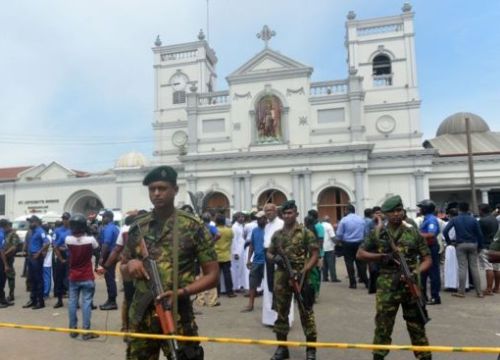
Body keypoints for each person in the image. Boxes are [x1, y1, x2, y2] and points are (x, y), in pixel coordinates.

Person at [120, 165, 219, 359]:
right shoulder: (138, 227)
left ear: (175, 189)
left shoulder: (192, 226)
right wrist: (130, 266)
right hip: (142, 316)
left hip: (177, 315)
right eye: (152, 189)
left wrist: (180, 292)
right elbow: (123, 269)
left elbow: (213, 275)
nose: (156, 193)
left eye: (162, 188)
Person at [356, 195, 432, 360]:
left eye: (399, 210)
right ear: (385, 214)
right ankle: (379, 356)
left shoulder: (413, 233)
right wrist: (381, 257)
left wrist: (415, 272)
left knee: (417, 325)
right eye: (392, 211)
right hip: (387, 286)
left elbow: (427, 259)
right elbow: (360, 254)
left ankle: (424, 356)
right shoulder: (377, 234)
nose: (397, 214)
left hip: (410, 284)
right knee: (383, 325)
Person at [267, 200, 319, 360]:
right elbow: (268, 253)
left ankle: (311, 351)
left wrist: (304, 270)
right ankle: (282, 349)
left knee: (306, 313)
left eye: (290, 213)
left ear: (296, 214)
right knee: (281, 314)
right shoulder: (277, 235)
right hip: (282, 278)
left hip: (302, 278)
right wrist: (275, 258)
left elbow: (315, 254)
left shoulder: (305, 233)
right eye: (285, 213)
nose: (287, 216)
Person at [65, 213, 100, 340]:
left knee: (72, 303)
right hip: (87, 276)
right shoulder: (90, 240)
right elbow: (97, 250)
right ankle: (86, 331)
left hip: (73, 276)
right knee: (86, 303)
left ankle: (73, 329)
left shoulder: (68, 239)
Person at [443, 202, 484, 298]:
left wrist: (449, 242)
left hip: (460, 245)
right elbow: (480, 234)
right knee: (474, 268)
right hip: (473, 244)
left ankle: (461, 292)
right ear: (468, 209)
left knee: (462, 268)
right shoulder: (473, 219)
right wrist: (480, 246)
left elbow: (445, 231)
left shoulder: (455, 219)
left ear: (459, 209)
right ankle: (479, 292)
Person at [336, 204, 368, 289]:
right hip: (360, 243)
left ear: (347, 210)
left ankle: (353, 283)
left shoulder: (344, 220)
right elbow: (366, 232)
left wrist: (339, 241)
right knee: (361, 263)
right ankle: (366, 281)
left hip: (348, 244)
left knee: (349, 263)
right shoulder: (361, 219)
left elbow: (339, 234)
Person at [417, 200, 441, 305]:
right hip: (425, 248)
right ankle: (423, 297)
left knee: (433, 273)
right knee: (423, 273)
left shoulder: (431, 220)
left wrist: (416, 235)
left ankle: (435, 297)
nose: (420, 209)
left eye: (421, 207)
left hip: (431, 248)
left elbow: (431, 234)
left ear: (425, 209)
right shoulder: (426, 219)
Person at [242, 211, 267, 312]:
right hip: (256, 261)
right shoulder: (255, 230)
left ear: (265, 219)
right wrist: (249, 259)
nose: (258, 220)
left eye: (260, 218)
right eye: (257, 218)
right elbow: (252, 245)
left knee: (270, 285)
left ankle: (272, 306)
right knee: (252, 284)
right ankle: (250, 304)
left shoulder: (270, 229)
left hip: (267, 262)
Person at [23, 215, 49, 309]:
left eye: (32, 222)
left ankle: (40, 301)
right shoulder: (32, 232)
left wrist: (39, 252)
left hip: (36, 258)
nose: (30, 224)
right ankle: (33, 300)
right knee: (31, 279)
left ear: (37, 222)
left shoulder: (40, 231)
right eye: (30, 222)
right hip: (30, 257)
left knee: (38, 280)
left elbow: (47, 243)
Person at [98, 210, 120, 310]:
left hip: (109, 255)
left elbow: (106, 244)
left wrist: (101, 257)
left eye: (103, 217)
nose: (102, 219)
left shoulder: (109, 229)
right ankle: (111, 300)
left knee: (109, 278)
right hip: (113, 255)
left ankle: (112, 301)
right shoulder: (115, 228)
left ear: (109, 218)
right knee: (110, 277)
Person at [478, 203, 499, 295]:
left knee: (488, 268)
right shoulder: (495, 219)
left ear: (481, 210)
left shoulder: (482, 221)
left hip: (486, 246)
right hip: (496, 246)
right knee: (497, 268)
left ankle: (489, 289)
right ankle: (497, 288)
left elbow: (479, 235)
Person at [53, 212, 72, 308]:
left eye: (67, 218)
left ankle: (73, 300)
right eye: (64, 218)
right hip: (60, 256)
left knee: (70, 279)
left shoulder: (73, 230)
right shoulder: (57, 230)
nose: (65, 220)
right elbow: (54, 245)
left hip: (70, 256)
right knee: (59, 278)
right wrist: (60, 257)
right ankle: (59, 300)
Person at [214, 214, 235, 297]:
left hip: (216, 255)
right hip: (226, 254)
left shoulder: (214, 230)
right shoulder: (229, 230)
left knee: (216, 275)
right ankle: (229, 292)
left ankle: (217, 292)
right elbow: (231, 239)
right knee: (227, 274)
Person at [1, 220, 21, 302]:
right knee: (2, 276)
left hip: (8, 258)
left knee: (10, 276)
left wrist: (4, 254)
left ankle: (11, 294)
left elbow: (14, 247)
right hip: (2, 257)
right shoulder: (4, 234)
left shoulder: (13, 235)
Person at [321, 216, 340, 282]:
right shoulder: (329, 226)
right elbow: (332, 237)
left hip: (322, 247)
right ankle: (333, 278)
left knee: (324, 264)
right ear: (329, 220)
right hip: (329, 247)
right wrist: (338, 243)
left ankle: (325, 277)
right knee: (331, 264)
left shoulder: (320, 225)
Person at [231, 212, 246, 293]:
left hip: (242, 250)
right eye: (241, 217)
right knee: (236, 269)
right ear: (237, 218)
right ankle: (236, 286)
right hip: (237, 251)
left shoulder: (241, 226)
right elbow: (234, 240)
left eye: (243, 217)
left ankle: (240, 285)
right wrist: (235, 252)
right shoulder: (234, 227)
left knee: (241, 269)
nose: (242, 219)